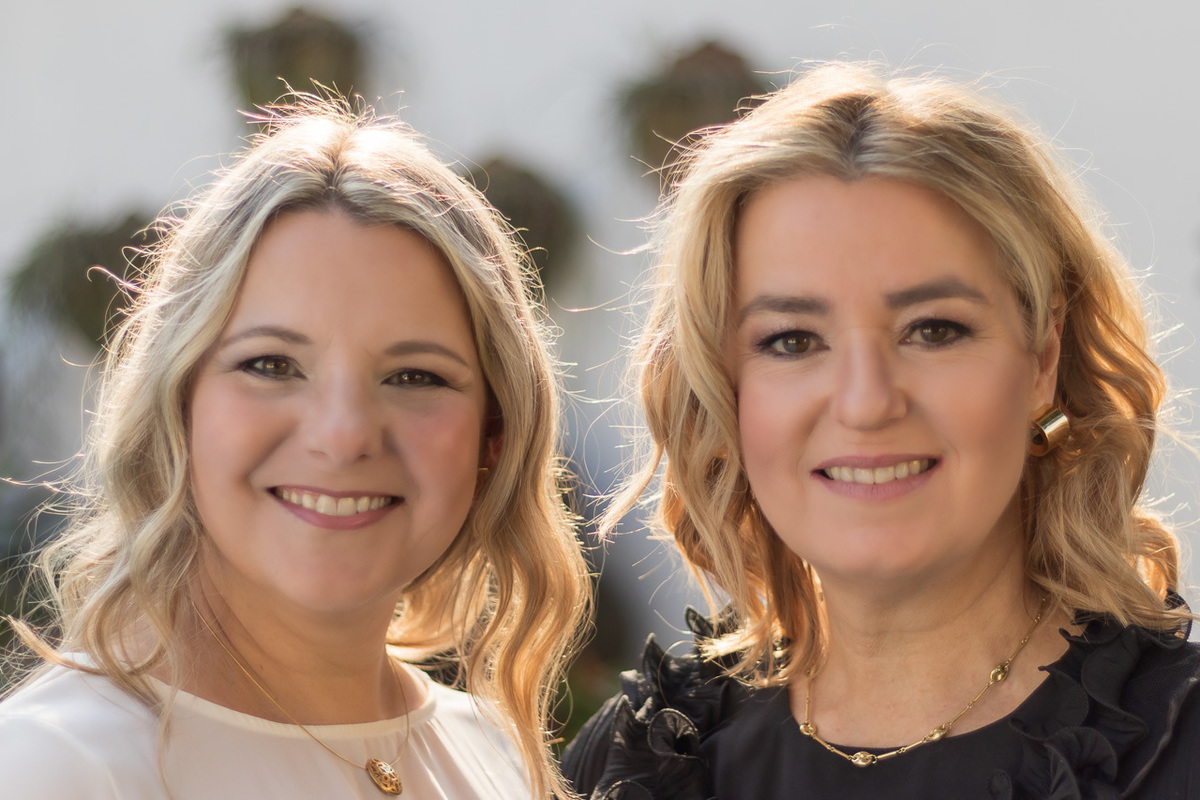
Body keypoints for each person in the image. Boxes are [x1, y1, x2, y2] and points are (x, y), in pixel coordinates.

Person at [563, 62, 1200, 799]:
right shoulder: (624, 765)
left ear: (1043, 357)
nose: (866, 403)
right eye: (793, 340)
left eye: (933, 330)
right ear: (723, 388)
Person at [0, 97, 590, 799]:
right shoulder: (60, 765)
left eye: (414, 376)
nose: (343, 436)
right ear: (177, 403)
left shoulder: (496, 754)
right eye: (272, 365)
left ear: (494, 434)